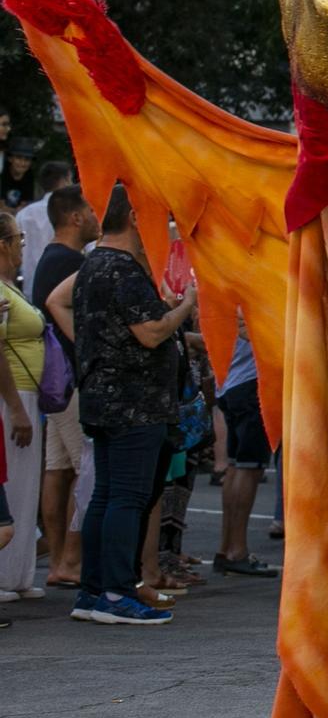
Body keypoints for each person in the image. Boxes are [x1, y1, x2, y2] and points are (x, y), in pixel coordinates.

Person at [61, 185, 195, 624]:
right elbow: (151, 332)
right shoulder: (122, 268)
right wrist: (185, 307)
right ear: (137, 218)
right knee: (128, 497)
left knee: (106, 496)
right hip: (135, 404)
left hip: (105, 400)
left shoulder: (94, 264)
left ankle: (94, 591)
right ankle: (117, 594)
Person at [32, 185, 95, 589]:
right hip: (73, 381)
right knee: (84, 470)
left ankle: (58, 560)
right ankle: (70, 559)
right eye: (90, 209)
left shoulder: (47, 258)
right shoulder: (72, 262)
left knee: (57, 470)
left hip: (55, 382)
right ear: (75, 217)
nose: (96, 216)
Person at [0, 210, 47, 602]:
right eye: (18, 239)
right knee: (12, 486)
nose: (21, 246)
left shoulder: (9, 285)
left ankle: (17, 573)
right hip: (12, 397)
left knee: (25, 488)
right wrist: (15, 407)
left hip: (26, 395)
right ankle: (4, 575)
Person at [214, 324, 277, 576]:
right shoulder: (248, 291)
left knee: (236, 465)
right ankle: (236, 550)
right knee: (248, 468)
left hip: (231, 381)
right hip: (250, 383)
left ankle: (227, 548)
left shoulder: (226, 289)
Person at [14, 159, 74, 284]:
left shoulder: (23, 214)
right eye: (70, 180)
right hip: (62, 285)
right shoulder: (72, 213)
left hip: (29, 286)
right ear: (64, 181)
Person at [1, 140, 36, 212]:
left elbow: (25, 205)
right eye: (18, 158)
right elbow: (1, 206)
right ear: (10, 159)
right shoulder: (2, 174)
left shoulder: (29, 177)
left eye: (27, 159)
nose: (22, 163)